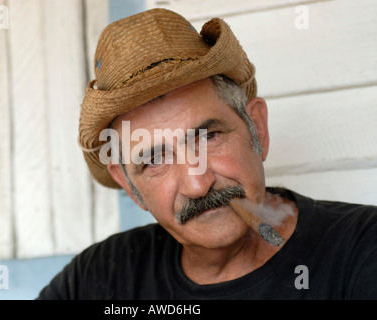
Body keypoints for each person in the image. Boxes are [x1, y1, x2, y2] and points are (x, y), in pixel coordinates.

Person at [37, 8, 377, 299]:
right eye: (155, 160)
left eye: (208, 136)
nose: (197, 184)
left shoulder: (361, 251)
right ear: (128, 184)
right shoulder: (97, 279)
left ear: (256, 128)